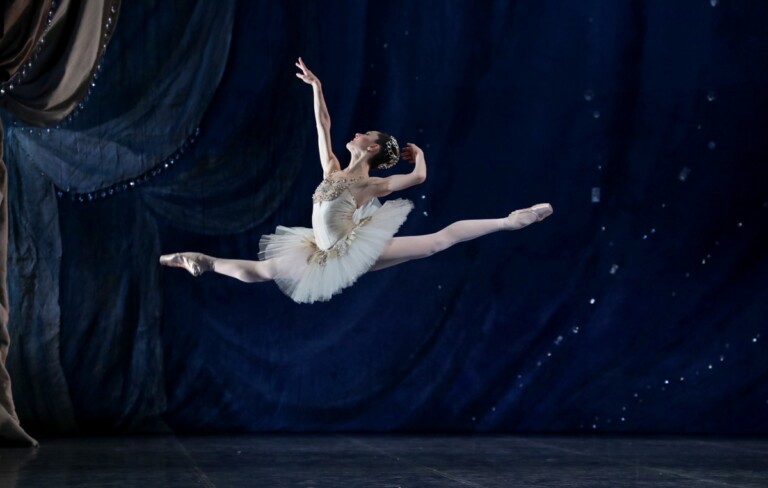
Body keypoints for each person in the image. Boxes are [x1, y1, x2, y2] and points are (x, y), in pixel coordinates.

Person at [159, 58, 553, 303]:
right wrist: (317, 87)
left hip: (349, 251)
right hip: (321, 252)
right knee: (261, 273)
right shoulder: (332, 168)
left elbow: (418, 177)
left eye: (365, 133)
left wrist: (421, 155)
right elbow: (322, 124)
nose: (357, 132)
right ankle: (206, 263)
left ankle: (510, 220)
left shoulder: (371, 186)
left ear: (372, 149)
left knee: (436, 242)